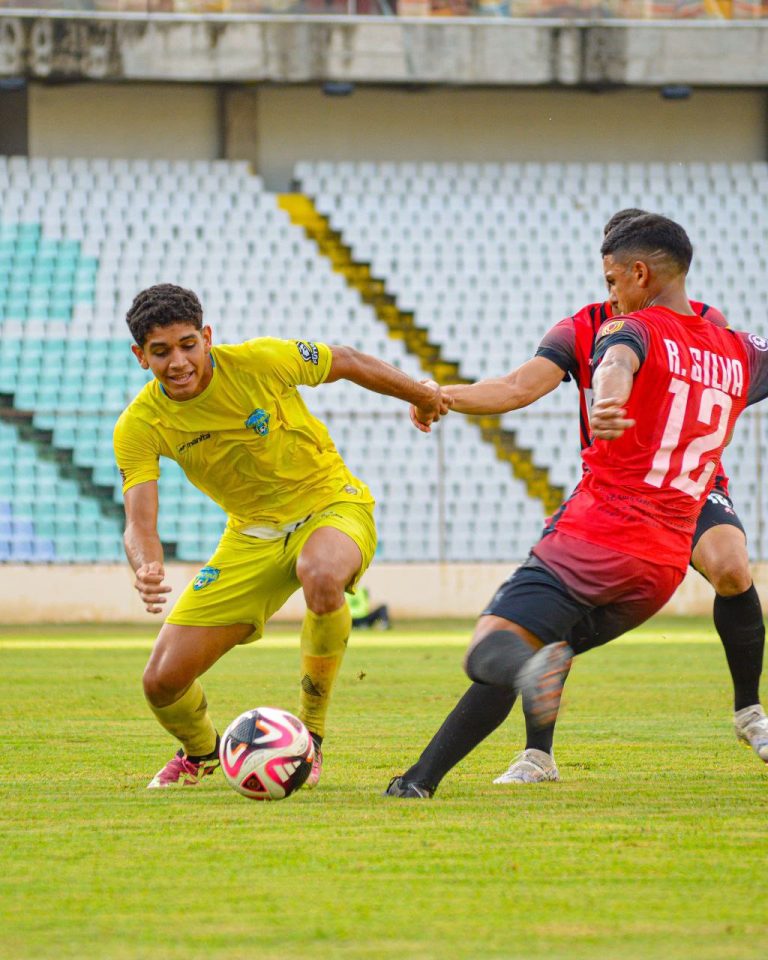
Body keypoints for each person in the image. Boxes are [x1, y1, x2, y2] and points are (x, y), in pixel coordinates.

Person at [386, 213, 768, 798]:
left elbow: (616, 363)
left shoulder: (630, 329)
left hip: (606, 524)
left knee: (500, 648)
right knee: (543, 645)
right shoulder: (732, 345)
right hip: (662, 561)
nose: (607, 290)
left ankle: (748, 709)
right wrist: (442, 394)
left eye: (613, 277)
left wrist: (610, 397)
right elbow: (522, 385)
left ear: (640, 272)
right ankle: (428, 780)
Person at [113, 283, 448, 789]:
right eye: (160, 352)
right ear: (141, 357)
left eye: (187, 344)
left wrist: (422, 395)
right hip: (250, 536)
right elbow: (140, 524)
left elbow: (348, 360)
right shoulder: (139, 424)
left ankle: (310, 739)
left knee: (319, 573)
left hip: (331, 503)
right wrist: (146, 565)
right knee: (161, 681)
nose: (178, 362)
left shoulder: (262, 360)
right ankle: (202, 754)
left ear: (206, 337)